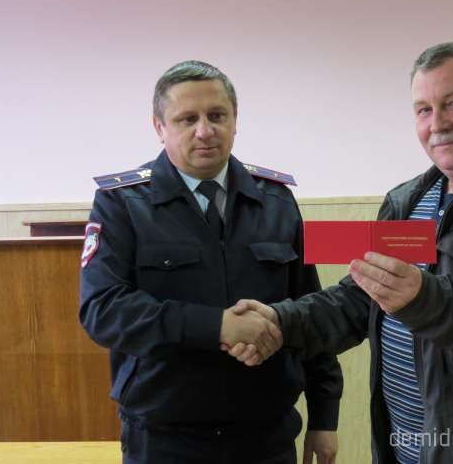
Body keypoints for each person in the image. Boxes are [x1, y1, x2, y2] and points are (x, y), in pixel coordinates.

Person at [230, 43, 453, 463]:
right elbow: (361, 299)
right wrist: (280, 322)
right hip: (406, 447)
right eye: (424, 110)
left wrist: (423, 297)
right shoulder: (407, 200)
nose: (438, 123)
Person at [79, 60, 342, 464]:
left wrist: (324, 416)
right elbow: (103, 310)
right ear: (159, 126)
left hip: (265, 436)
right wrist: (216, 325)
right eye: (187, 119)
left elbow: (310, 310)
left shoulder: (276, 200)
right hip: (164, 439)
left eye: (217, 115)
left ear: (235, 119)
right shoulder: (121, 204)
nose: (204, 131)